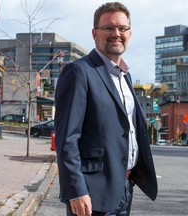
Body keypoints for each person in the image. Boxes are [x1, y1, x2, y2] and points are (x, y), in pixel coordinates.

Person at [54, 2, 158, 215]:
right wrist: (76, 191)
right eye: (108, 28)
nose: (116, 34)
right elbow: (67, 139)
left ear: (130, 33)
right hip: (91, 194)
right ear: (95, 33)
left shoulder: (125, 76)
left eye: (122, 28)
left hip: (124, 187)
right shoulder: (78, 72)